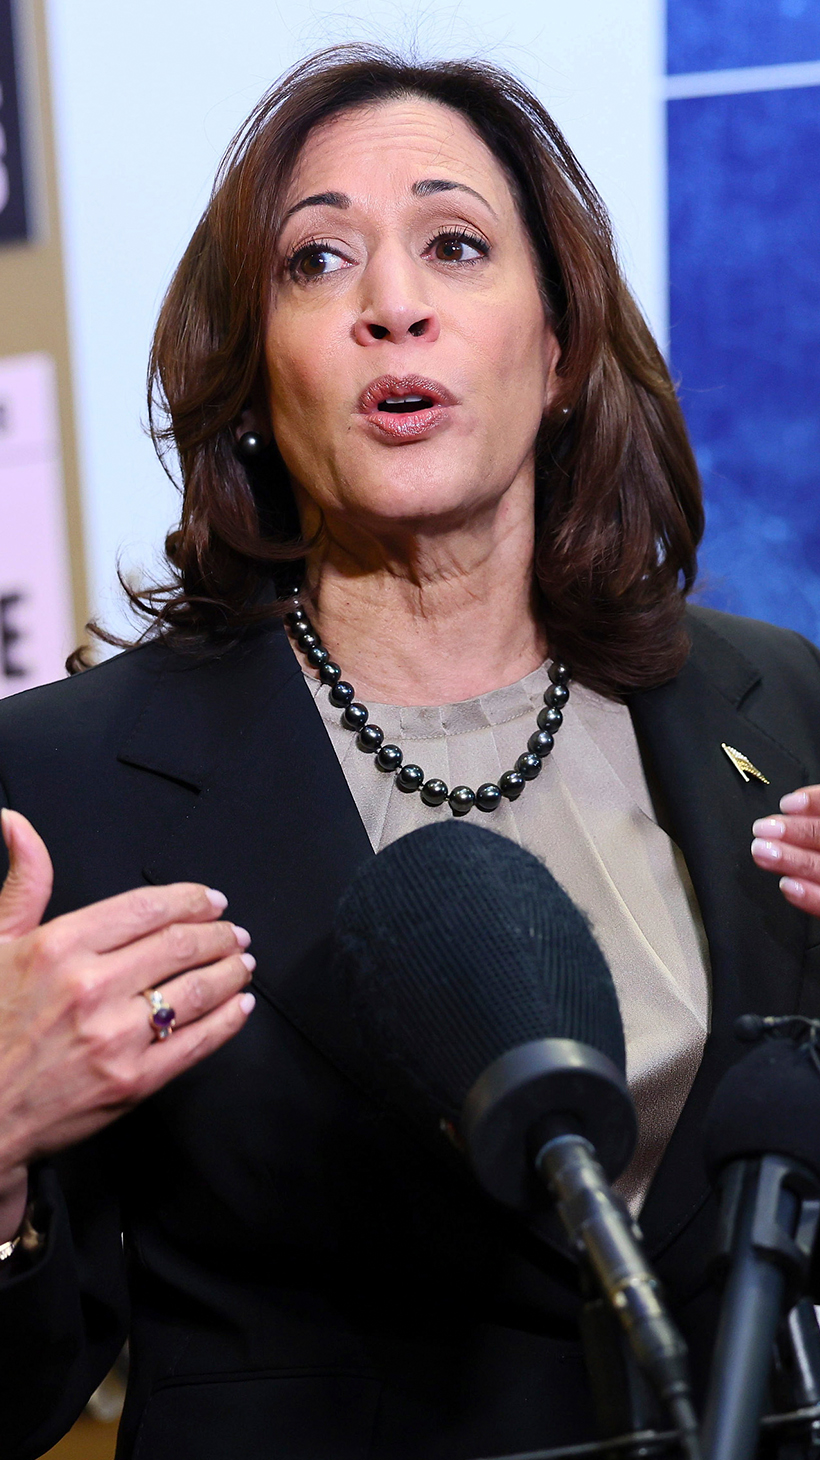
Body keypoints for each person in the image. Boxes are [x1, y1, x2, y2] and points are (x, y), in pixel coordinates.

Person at [0, 43, 819, 1460]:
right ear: (255, 375)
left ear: (559, 351)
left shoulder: (781, 700)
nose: (394, 306)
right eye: (317, 264)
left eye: (455, 245)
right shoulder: (59, 787)